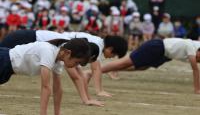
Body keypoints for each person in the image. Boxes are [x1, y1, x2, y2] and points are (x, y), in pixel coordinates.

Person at [0, 30, 128, 98]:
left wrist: (86, 97)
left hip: (27, 37)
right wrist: (97, 92)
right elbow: (92, 71)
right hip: (27, 38)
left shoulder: (86, 46)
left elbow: (79, 73)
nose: (112, 57)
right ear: (110, 49)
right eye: (114, 55)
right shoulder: (91, 47)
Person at [0, 38, 97, 115]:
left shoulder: (58, 61)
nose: (75, 66)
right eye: (77, 62)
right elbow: (46, 87)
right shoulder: (48, 52)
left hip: (7, 69)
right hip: (3, 60)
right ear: (68, 52)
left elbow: (57, 89)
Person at [101, 38, 200, 94]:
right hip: (157, 47)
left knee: (142, 67)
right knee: (126, 62)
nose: (198, 60)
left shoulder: (196, 47)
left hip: (164, 54)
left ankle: (113, 69)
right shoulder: (190, 47)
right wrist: (197, 89)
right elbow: (195, 69)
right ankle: (97, 70)